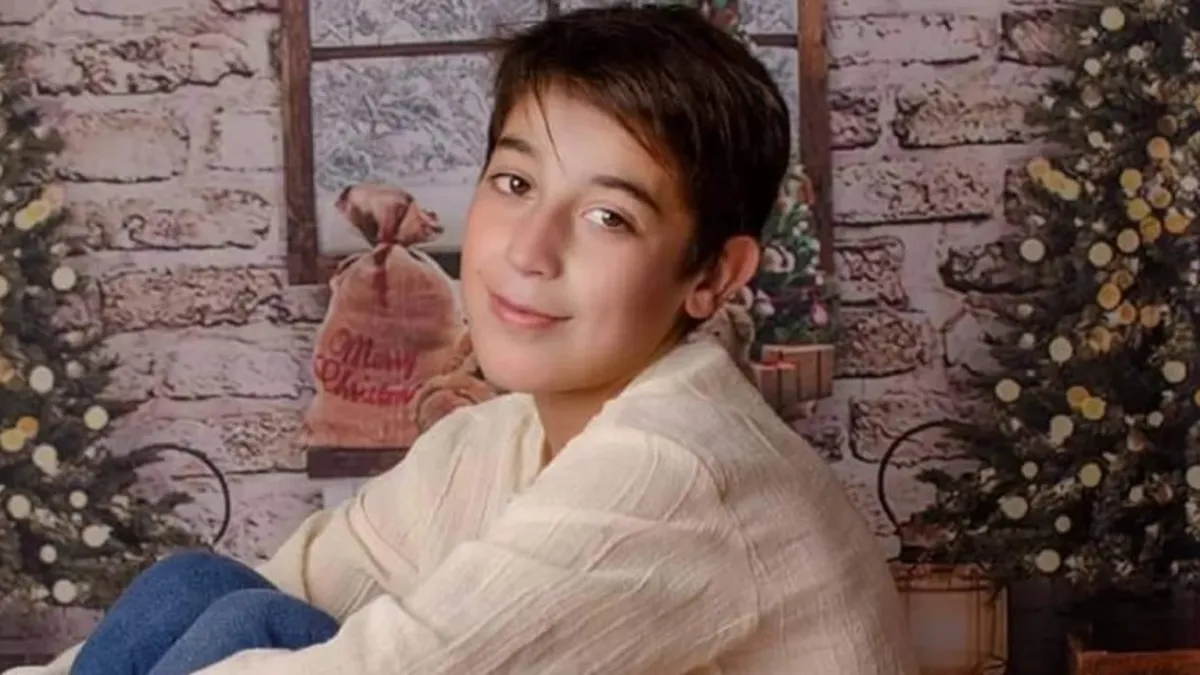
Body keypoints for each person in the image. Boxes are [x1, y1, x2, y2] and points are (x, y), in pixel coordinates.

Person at [11, 4, 918, 674]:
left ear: (713, 274)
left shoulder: (677, 467)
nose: (528, 251)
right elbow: (301, 581)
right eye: (515, 185)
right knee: (201, 591)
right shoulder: (491, 441)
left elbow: (385, 669)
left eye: (608, 216)